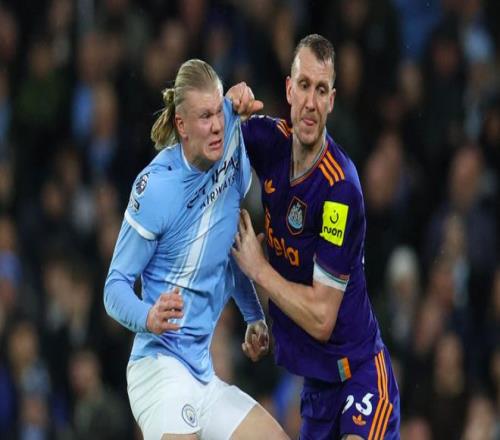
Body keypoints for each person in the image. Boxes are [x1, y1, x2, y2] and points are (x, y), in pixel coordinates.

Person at [104, 59, 288, 440]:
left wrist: (254, 316)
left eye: (218, 111)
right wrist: (148, 316)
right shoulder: (156, 188)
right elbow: (114, 287)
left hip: (202, 376)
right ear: (182, 125)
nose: (217, 124)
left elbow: (227, 249)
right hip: (158, 369)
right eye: (205, 116)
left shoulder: (232, 142)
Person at [229, 34, 401, 439]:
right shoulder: (269, 142)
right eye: (304, 85)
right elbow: (212, 137)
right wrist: (227, 103)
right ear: (289, 90)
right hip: (317, 388)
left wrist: (258, 270)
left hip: (360, 374)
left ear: (332, 101)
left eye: (321, 90)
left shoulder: (340, 190)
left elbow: (323, 319)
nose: (310, 101)